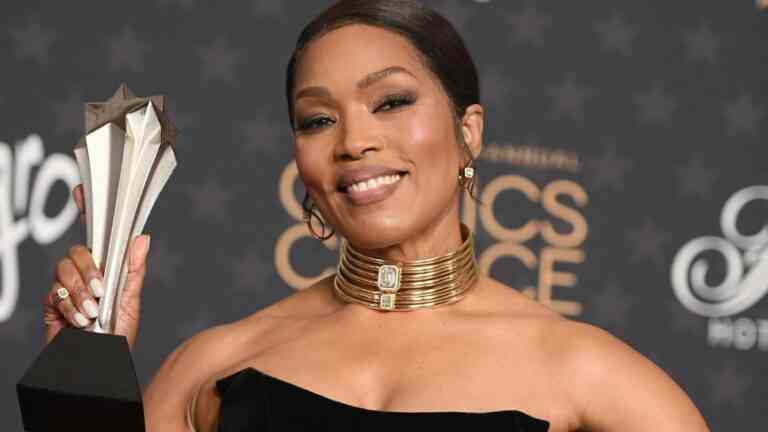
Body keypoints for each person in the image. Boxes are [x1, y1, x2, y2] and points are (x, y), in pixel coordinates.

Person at [43, 1, 711, 431]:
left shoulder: (588, 373)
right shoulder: (217, 362)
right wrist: (80, 372)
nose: (353, 141)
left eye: (390, 102)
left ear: (469, 130)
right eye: (318, 118)